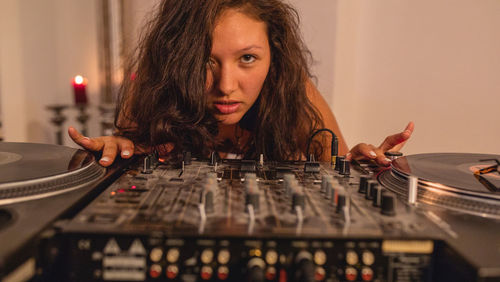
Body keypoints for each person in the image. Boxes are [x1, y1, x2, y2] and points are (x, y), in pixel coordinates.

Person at [69, 0, 413, 167]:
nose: (226, 85)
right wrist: (118, 153)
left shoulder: (292, 91)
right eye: (205, 60)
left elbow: (337, 169)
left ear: (274, 56)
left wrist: (360, 168)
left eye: (247, 58)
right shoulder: (153, 87)